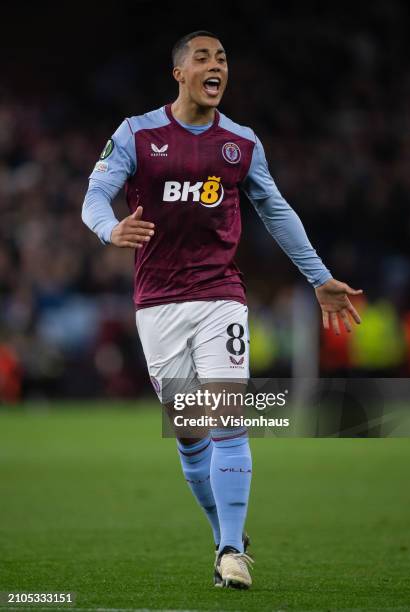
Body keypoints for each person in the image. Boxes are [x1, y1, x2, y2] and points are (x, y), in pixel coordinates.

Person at [82, 30, 362, 589]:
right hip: (157, 304)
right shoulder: (137, 133)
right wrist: (108, 228)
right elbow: (94, 193)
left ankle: (233, 551)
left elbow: (276, 210)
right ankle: (222, 536)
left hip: (220, 297)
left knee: (228, 418)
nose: (217, 66)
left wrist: (319, 276)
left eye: (223, 58)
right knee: (190, 433)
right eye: (203, 58)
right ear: (179, 74)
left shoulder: (240, 143)